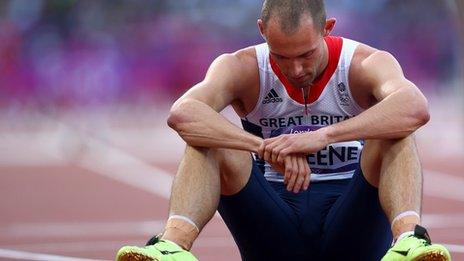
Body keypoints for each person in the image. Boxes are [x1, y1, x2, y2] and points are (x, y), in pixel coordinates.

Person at [116, 1, 451, 260]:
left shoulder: (364, 63)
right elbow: (183, 114)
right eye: (282, 57)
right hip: (274, 227)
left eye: (306, 54)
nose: (296, 69)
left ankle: (408, 240)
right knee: (208, 139)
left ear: (327, 28)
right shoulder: (241, 67)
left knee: (395, 131)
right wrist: (264, 147)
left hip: (352, 226)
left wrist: (322, 136)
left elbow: (414, 107)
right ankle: (172, 246)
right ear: (262, 30)